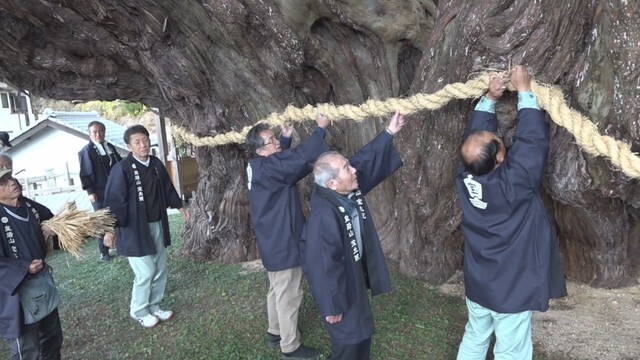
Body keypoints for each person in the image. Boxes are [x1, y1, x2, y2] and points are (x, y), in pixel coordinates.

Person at [455, 66, 567, 359]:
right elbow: (532, 144)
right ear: (501, 158)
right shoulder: (514, 184)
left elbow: (475, 142)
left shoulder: (465, 175)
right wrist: (526, 92)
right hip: (511, 285)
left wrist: (490, 99)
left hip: (480, 281)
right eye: (500, 143)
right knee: (512, 349)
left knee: (476, 335)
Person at [300, 110, 406, 360]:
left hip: (351, 282)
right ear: (332, 184)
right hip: (338, 294)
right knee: (348, 345)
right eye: (347, 168)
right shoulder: (323, 216)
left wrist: (389, 132)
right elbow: (321, 265)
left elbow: (365, 160)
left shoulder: (345, 190)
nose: (354, 170)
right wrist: (331, 306)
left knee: (361, 338)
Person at [246, 115, 330, 359]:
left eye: (274, 138)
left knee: (276, 288)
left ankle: (275, 331)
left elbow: (282, 163)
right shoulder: (270, 167)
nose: (275, 142)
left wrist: (285, 136)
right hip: (282, 239)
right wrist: (320, 131)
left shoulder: (257, 166)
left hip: (271, 238)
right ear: (260, 151)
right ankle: (290, 347)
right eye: (271, 140)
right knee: (288, 293)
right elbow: (297, 160)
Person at [103, 125, 188, 328]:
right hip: (133, 228)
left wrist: (180, 207)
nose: (143, 145)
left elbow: (168, 188)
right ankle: (139, 310)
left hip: (156, 222)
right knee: (146, 271)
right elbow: (114, 201)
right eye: (137, 142)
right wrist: (109, 229)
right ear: (128, 146)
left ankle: (154, 304)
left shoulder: (156, 164)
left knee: (159, 267)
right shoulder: (121, 169)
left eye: (145, 140)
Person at [0, 166, 63, 359]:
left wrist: (53, 230)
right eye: (4, 182)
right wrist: (23, 267)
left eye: (11, 178)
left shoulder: (29, 206)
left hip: (42, 282)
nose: (13, 183)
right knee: (27, 348)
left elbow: (50, 220)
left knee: (52, 337)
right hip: (15, 291)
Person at [78, 121, 123, 261]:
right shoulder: (86, 151)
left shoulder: (109, 146)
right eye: (94, 132)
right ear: (90, 133)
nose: (98, 134)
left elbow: (119, 163)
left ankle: (120, 245)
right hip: (98, 191)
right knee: (102, 220)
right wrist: (90, 192)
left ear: (104, 132)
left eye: (100, 131)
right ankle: (104, 251)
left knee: (118, 216)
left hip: (115, 189)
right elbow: (84, 173)